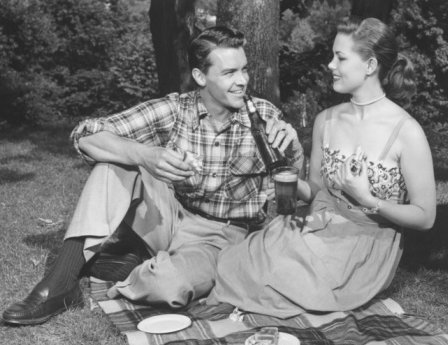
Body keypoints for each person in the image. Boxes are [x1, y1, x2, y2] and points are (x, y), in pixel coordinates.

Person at [2, 26, 303, 325]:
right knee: (111, 164)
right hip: (173, 217)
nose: (242, 81)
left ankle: (130, 263)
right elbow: (86, 134)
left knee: (167, 286)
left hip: (226, 237)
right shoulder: (176, 109)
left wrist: (292, 150)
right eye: (229, 73)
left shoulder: (262, 115)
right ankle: (60, 283)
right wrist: (145, 155)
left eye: (245, 70)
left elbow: (292, 186)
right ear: (201, 77)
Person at [206, 17, 437, 318]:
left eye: (340, 57)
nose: (330, 65)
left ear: (370, 66)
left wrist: (369, 200)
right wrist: (288, 177)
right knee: (245, 258)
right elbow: (314, 191)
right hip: (320, 227)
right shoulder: (325, 119)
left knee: (278, 277)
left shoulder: (407, 131)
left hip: (366, 244)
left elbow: (426, 216)